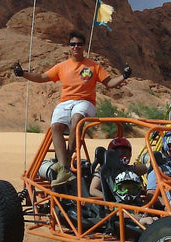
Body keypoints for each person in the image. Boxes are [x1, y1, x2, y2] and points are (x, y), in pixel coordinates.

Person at [13, 30, 131, 186]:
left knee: (77, 118)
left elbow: (109, 83)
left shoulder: (94, 66)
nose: (76, 47)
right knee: (56, 126)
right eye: (73, 44)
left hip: (86, 101)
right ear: (69, 46)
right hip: (66, 101)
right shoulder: (62, 66)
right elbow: (41, 77)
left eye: (79, 44)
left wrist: (124, 76)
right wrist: (23, 74)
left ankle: (67, 159)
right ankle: (64, 169)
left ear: (84, 46)